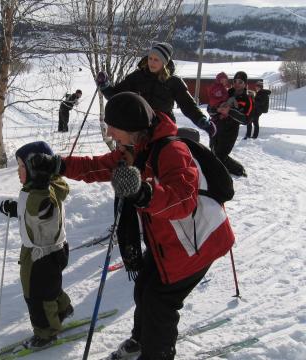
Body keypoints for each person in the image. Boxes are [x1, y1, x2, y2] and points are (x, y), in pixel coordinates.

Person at [52, 92, 235, 360]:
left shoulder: (172, 151)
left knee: (159, 304)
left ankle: (156, 354)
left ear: (131, 126)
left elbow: (183, 199)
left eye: (113, 126)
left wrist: (144, 193)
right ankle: (141, 340)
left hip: (198, 244)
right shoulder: (138, 148)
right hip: (170, 243)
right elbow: (100, 167)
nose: (110, 131)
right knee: (144, 289)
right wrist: (60, 165)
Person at [0, 141, 73, 349]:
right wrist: (16, 209)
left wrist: (40, 187)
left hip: (42, 255)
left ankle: (46, 333)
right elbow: (33, 215)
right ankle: (62, 309)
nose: (18, 171)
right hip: (47, 251)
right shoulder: (37, 189)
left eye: (22, 166)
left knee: (36, 296)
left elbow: (43, 212)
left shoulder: (44, 193)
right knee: (49, 288)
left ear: (34, 169)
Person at [95, 42, 216, 138]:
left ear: (164, 62)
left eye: (156, 60)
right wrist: (105, 85)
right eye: (150, 58)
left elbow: (188, 106)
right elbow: (116, 96)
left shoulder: (174, 82)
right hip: (140, 125)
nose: (151, 62)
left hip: (164, 126)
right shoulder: (137, 76)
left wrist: (202, 121)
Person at [210, 71, 253, 177]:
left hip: (230, 131)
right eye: (235, 81)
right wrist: (215, 109)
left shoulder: (247, 99)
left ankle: (238, 170)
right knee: (213, 151)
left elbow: (246, 120)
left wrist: (230, 111)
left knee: (221, 155)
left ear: (245, 84)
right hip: (217, 127)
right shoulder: (225, 92)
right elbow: (211, 106)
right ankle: (218, 170)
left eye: (240, 81)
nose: (237, 83)